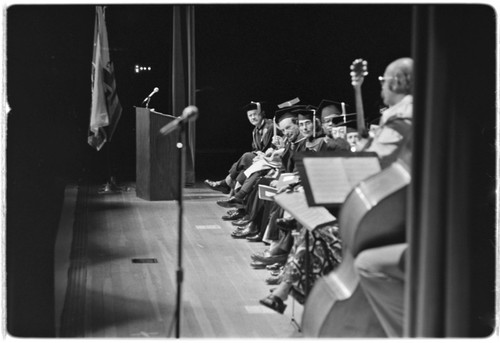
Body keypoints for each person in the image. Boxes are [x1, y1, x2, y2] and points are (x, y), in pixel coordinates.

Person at [353, 57, 414, 337]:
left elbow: (375, 162)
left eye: (382, 81)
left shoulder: (402, 117)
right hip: (400, 208)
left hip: (398, 212)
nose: (381, 88)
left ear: (395, 82)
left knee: (360, 257)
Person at [204, 101, 277, 220]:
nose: (253, 117)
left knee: (246, 157)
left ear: (262, 113)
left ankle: (227, 185)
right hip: (260, 161)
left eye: (255, 114)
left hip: (269, 162)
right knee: (242, 168)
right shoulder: (255, 130)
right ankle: (238, 206)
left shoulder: (269, 127)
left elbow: (268, 149)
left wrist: (260, 154)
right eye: (250, 115)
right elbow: (256, 149)